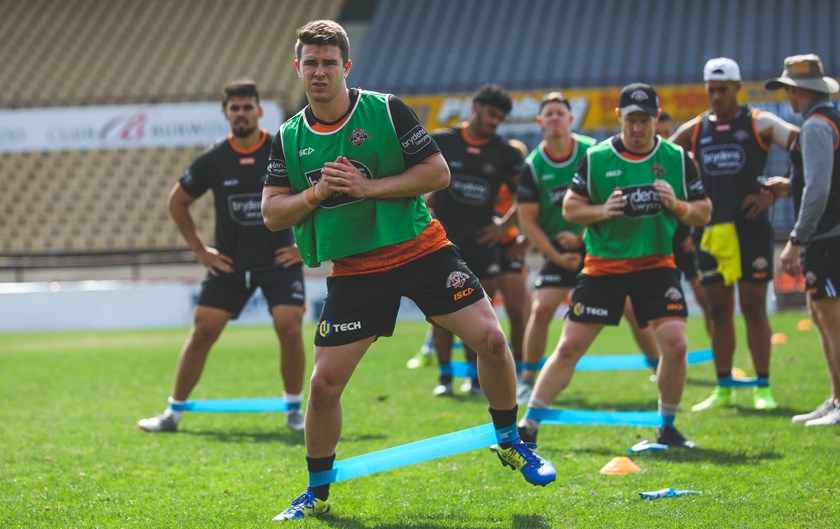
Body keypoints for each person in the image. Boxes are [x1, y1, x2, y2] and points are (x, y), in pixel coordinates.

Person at [261, 20, 555, 521]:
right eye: (310, 62)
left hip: (420, 248)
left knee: (490, 338)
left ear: (346, 67)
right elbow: (272, 213)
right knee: (324, 386)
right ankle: (317, 491)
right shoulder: (288, 137)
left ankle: (510, 440)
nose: (319, 71)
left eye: (329, 62)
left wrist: (366, 187)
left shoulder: (385, 108)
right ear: (297, 68)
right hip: (355, 269)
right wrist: (316, 193)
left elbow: (437, 173)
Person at [518, 83, 712, 448]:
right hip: (604, 266)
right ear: (620, 118)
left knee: (676, 344)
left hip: (657, 265)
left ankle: (667, 426)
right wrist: (602, 211)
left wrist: (678, 206)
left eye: (645, 120)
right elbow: (570, 208)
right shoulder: (597, 158)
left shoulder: (676, 158)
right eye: (631, 120)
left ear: (656, 119)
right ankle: (529, 424)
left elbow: (704, 211)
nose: (637, 128)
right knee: (570, 347)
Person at [138, 80, 307, 433]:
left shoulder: (284, 148)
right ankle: (173, 413)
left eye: (248, 107)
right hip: (230, 262)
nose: (241, 113)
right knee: (202, 332)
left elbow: (319, 193)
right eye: (235, 108)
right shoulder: (214, 159)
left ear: (259, 110)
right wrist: (202, 251)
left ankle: (294, 411)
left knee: (289, 327)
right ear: (226, 113)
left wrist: (305, 248)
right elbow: (177, 202)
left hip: (278, 261)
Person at [670, 58, 799, 412]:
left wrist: (778, 189)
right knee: (717, 311)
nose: (715, 96)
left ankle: (763, 386)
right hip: (710, 232)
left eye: (722, 89)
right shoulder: (695, 129)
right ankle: (724, 386)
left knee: (754, 307)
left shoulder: (758, 122)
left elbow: (805, 144)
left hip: (751, 231)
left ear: (737, 88)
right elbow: (662, 156)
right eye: (710, 89)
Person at [425, 84, 525, 397]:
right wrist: (426, 212)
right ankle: (445, 378)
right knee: (441, 315)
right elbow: (413, 181)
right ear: (476, 107)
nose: (495, 121)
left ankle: (475, 380)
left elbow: (529, 196)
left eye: (500, 118)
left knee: (479, 316)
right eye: (492, 114)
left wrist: (505, 225)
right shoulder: (442, 141)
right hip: (442, 244)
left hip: (483, 245)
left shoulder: (505, 153)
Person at [764, 54, 840, 426]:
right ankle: (836, 397)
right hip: (829, 234)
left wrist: (796, 239)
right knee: (820, 312)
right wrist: (789, 185)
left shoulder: (815, 126)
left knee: (830, 316)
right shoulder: (829, 119)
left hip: (829, 236)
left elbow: (819, 188)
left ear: (795, 91)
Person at [515, 92, 594, 403]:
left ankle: (658, 369)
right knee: (542, 308)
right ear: (540, 122)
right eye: (549, 114)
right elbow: (528, 223)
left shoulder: (592, 153)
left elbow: (608, 203)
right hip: (555, 253)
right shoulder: (533, 166)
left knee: (631, 307)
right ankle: (527, 379)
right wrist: (557, 255)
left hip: (595, 246)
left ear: (571, 119)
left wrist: (581, 238)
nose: (555, 118)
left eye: (560, 113)